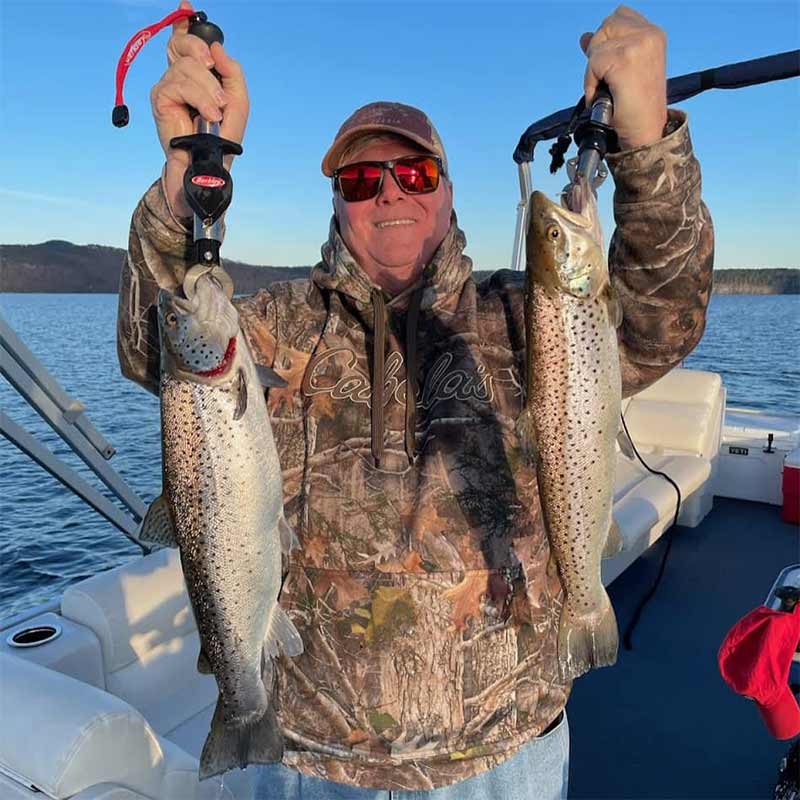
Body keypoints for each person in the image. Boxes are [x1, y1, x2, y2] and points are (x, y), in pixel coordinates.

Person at [117, 3, 713, 798]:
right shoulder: (270, 328)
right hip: (298, 758)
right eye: (361, 179)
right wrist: (180, 191)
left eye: (414, 172)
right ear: (335, 201)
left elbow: (662, 314)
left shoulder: (523, 314)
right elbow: (156, 353)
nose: (389, 192)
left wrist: (646, 148)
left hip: (502, 756)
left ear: (447, 190)